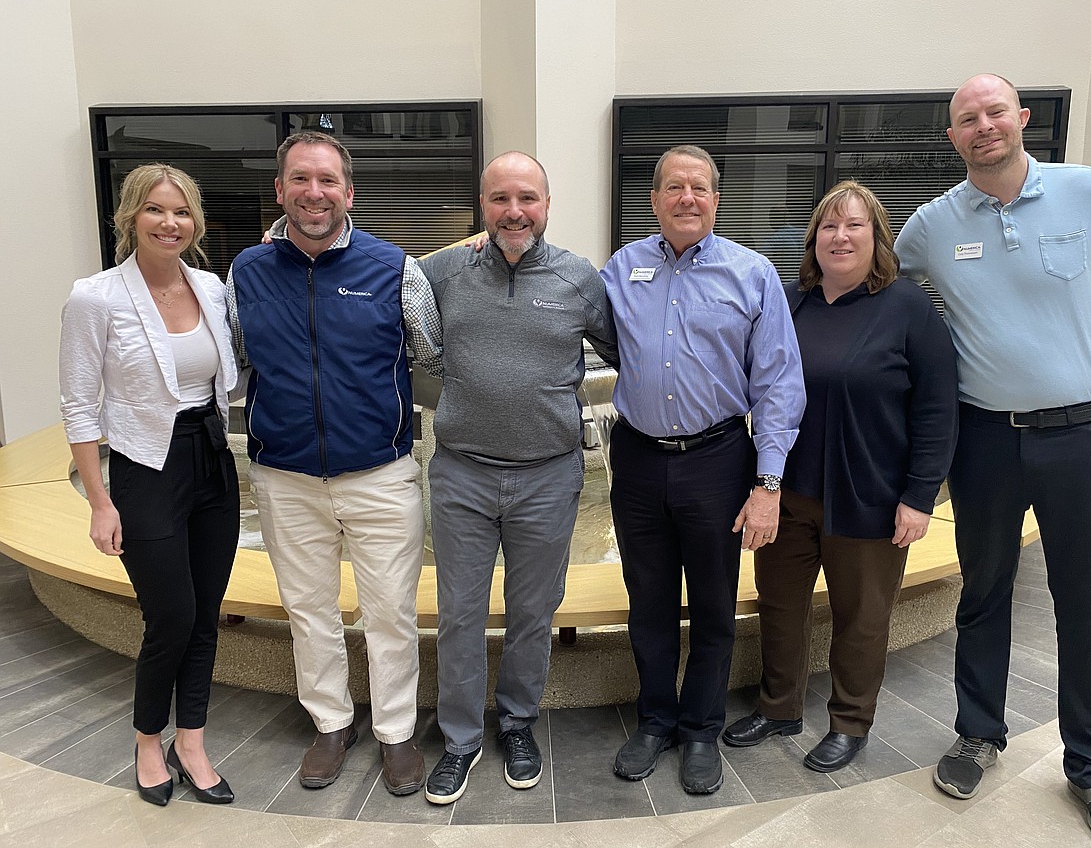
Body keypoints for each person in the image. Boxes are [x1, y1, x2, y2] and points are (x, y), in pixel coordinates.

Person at [896, 74, 1091, 847]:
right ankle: (978, 734)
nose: (982, 127)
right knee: (983, 591)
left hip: (1085, 436)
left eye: (993, 113)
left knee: (1087, 603)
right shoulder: (932, 225)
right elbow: (875, 280)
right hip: (985, 439)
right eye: (965, 120)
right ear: (952, 139)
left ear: (1022, 119)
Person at [226, 131, 443, 797]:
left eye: (327, 180)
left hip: (380, 475)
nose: (313, 193)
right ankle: (330, 722)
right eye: (300, 179)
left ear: (349, 192)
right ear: (281, 190)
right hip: (285, 475)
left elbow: (431, 353)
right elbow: (233, 363)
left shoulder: (395, 268)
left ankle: (397, 731)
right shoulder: (247, 272)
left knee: (389, 611)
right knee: (309, 607)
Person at [721, 181, 958, 772]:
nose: (840, 236)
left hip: (870, 497)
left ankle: (850, 722)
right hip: (786, 491)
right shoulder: (792, 302)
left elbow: (937, 407)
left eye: (855, 225)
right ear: (813, 239)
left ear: (877, 238)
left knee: (862, 616)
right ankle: (779, 709)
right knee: (780, 605)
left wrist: (919, 496)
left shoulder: (908, 306)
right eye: (829, 226)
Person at [602, 144, 806, 794]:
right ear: (654, 199)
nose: (687, 197)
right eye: (673, 187)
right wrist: (479, 258)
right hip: (636, 459)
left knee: (715, 606)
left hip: (719, 459)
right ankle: (655, 720)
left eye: (700, 187)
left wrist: (768, 483)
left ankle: (699, 730)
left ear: (716, 199)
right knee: (649, 603)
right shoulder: (621, 268)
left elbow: (779, 383)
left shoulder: (752, 273)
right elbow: (554, 302)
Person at [417, 151, 619, 804]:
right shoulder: (445, 271)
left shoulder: (579, 279)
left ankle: (518, 722)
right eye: (500, 198)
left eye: (526, 197)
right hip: (463, 476)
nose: (514, 211)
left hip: (548, 477)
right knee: (460, 614)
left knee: (533, 613)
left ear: (547, 204)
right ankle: (459, 740)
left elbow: (625, 346)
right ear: (482, 206)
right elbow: (382, 296)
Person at [60, 164, 239, 807]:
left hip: (212, 461)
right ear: (130, 216)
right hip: (143, 468)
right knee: (171, 615)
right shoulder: (96, 297)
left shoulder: (213, 288)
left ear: (195, 223)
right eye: (156, 211)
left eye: (183, 212)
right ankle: (147, 740)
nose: (171, 223)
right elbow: (79, 407)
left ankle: (191, 741)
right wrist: (100, 502)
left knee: (206, 615)